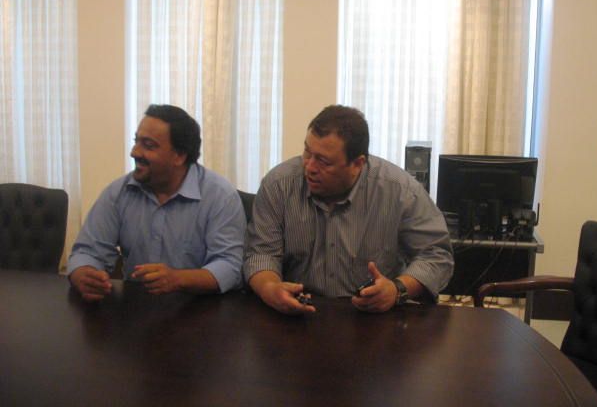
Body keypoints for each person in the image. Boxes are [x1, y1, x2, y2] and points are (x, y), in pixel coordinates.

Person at [243, 105, 454, 315]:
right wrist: (270, 288)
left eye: (324, 161)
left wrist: (397, 289)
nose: (310, 167)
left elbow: (436, 255)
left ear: (357, 164)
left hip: (373, 316)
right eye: (307, 151)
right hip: (297, 312)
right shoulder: (278, 185)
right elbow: (261, 253)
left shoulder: (401, 192)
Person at [68, 104, 246, 301]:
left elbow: (230, 267)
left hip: (202, 307)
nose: (134, 152)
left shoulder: (220, 196)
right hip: (135, 307)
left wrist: (178, 279)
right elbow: (87, 251)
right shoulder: (119, 192)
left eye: (148, 145)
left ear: (179, 156)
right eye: (136, 141)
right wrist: (83, 273)